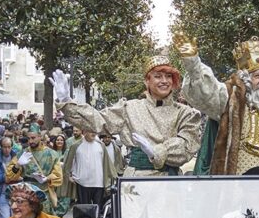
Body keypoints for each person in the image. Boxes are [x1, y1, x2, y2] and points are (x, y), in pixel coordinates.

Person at [176, 35, 259, 174]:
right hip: (238, 191)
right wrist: (193, 63)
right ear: (247, 79)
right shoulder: (231, 102)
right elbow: (208, 92)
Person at [54, 58, 203, 177]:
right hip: (135, 183)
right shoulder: (130, 108)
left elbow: (187, 146)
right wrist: (67, 103)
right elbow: (99, 121)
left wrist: (157, 151)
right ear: (147, 81)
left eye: (168, 76)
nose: (164, 81)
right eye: (158, 76)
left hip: (169, 186)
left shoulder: (185, 113)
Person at [64, 128, 114, 218]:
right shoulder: (76, 146)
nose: (94, 133)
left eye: (94, 131)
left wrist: (110, 180)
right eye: (91, 131)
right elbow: (68, 162)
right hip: (82, 183)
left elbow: (107, 164)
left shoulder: (100, 146)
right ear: (84, 132)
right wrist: (69, 176)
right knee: (84, 210)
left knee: (99, 209)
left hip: (99, 183)